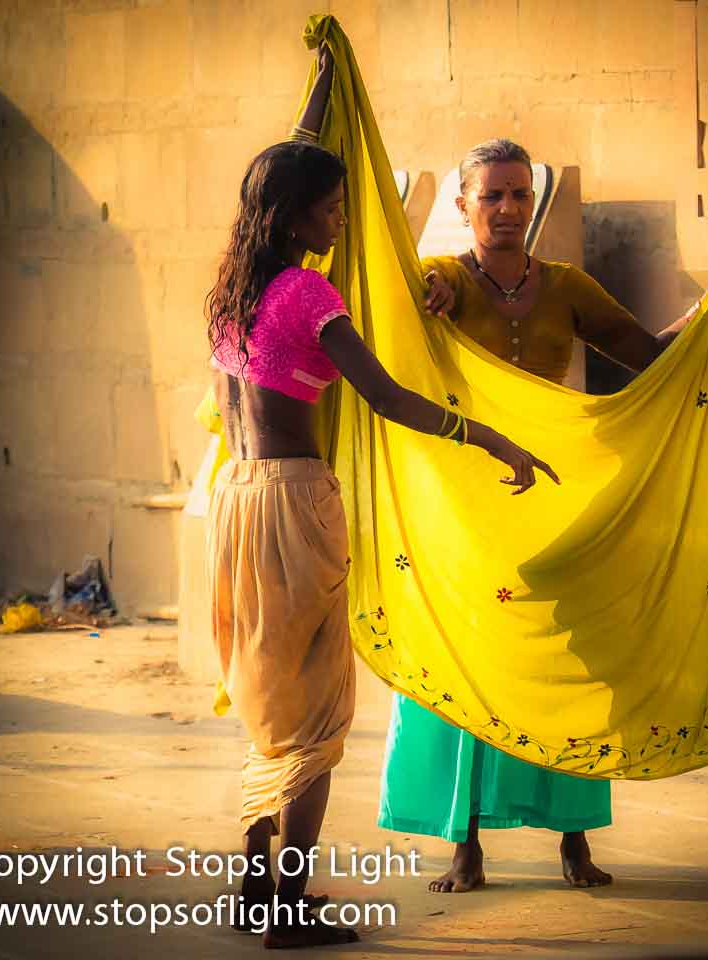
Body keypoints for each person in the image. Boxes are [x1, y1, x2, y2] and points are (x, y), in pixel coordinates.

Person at [204, 72, 560, 947]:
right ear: (293, 218)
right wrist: (494, 440)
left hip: (234, 504)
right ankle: (286, 909)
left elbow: (271, 174)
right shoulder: (309, 298)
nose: (340, 221)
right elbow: (392, 398)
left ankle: (255, 886)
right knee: (318, 716)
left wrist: (320, 90)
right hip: (295, 504)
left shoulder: (232, 294)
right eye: (328, 209)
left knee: (263, 702)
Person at [380, 137, 702, 894]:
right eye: (490, 195)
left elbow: (646, 355)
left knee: (568, 658)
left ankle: (574, 840)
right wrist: (429, 302)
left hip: (552, 498)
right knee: (471, 661)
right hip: (466, 508)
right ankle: (465, 845)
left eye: (519, 194)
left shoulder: (566, 287)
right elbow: (405, 326)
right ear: (463, 206)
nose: (506, 208)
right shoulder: (443, 281)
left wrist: (707, 318)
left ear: (534, 202)